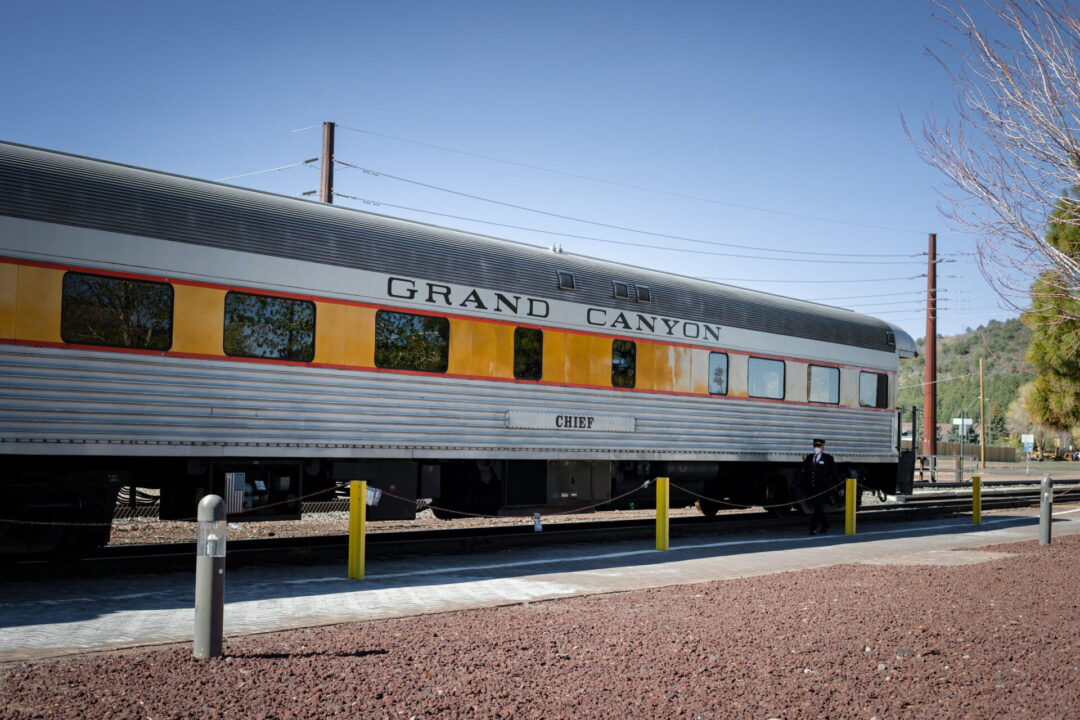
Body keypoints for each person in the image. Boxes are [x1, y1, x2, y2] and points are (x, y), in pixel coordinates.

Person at [801, 438, 837, 535]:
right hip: (812, 489)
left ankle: (813, 528)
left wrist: (840, 487)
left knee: (819, 508)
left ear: (823, 447)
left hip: (823, 490)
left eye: (819, 446)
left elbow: (834, 473)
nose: (816, 448)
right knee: (818, 508)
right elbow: (803, 472)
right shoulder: (809, 458)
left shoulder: (828, 459)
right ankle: (825, 525)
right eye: (815, 446)